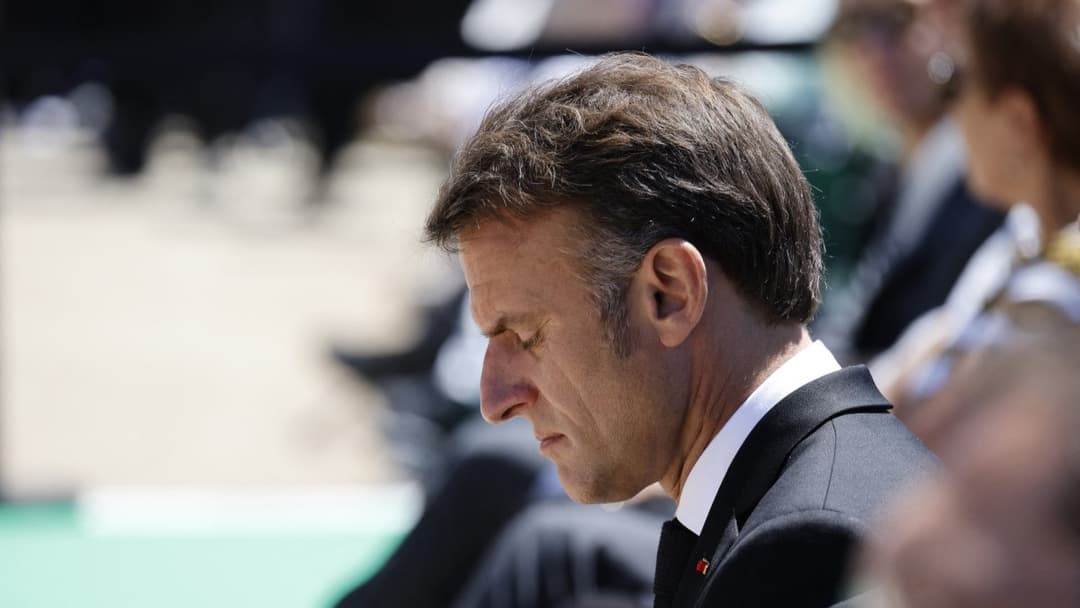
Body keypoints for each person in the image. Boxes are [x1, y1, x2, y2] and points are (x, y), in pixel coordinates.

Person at [424, 52, 937, 607]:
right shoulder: (797, 504)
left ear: (671, 294)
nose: (495, 400)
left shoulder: (802, 548)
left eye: (527, 336)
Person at [871, 0, 1080, 412]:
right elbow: (919, 356)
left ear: (1019, 122)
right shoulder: (1021, 234)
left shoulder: (1059, 288)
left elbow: (936, 419)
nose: (949, 112)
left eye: (953, 81)